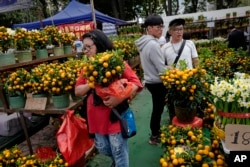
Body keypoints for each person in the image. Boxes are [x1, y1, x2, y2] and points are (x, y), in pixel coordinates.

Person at [75, 29, 142, 167]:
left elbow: (136, 83)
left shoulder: (116, 63)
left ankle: (120, 162)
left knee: (118, 151)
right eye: (84, 47)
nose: (85, 51)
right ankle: (117, 162)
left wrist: (119, 98)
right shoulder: (87, 68)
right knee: (103, 148)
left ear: (99, 45)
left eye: (89, 47)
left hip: (115, 115)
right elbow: (78, 91)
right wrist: (91, 82)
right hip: (95, 118)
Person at [135, 14, 168, 145]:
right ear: (149, 28)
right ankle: (154, 135)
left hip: (150, 80)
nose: (161, 29)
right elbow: (161, 68)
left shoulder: (144, 43)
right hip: (157, 82)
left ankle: (155, 132)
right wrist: (170, 70)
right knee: (158, 109)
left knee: (157, 108)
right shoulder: (153, 45)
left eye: (162, 26)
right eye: (158, 27)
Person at [161, 18, 199, 121]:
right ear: (170, 32)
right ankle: (174, 124)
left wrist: (199, 74)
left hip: (189, 81)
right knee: (174, 105)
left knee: (190, 103)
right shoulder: (164, 48)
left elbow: (195, 60)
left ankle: (189, 124)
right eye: (176, 29)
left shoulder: (190, 44)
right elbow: (160, 65)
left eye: (181, 29)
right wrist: (167, 69)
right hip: (173, 82)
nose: (179, 32)